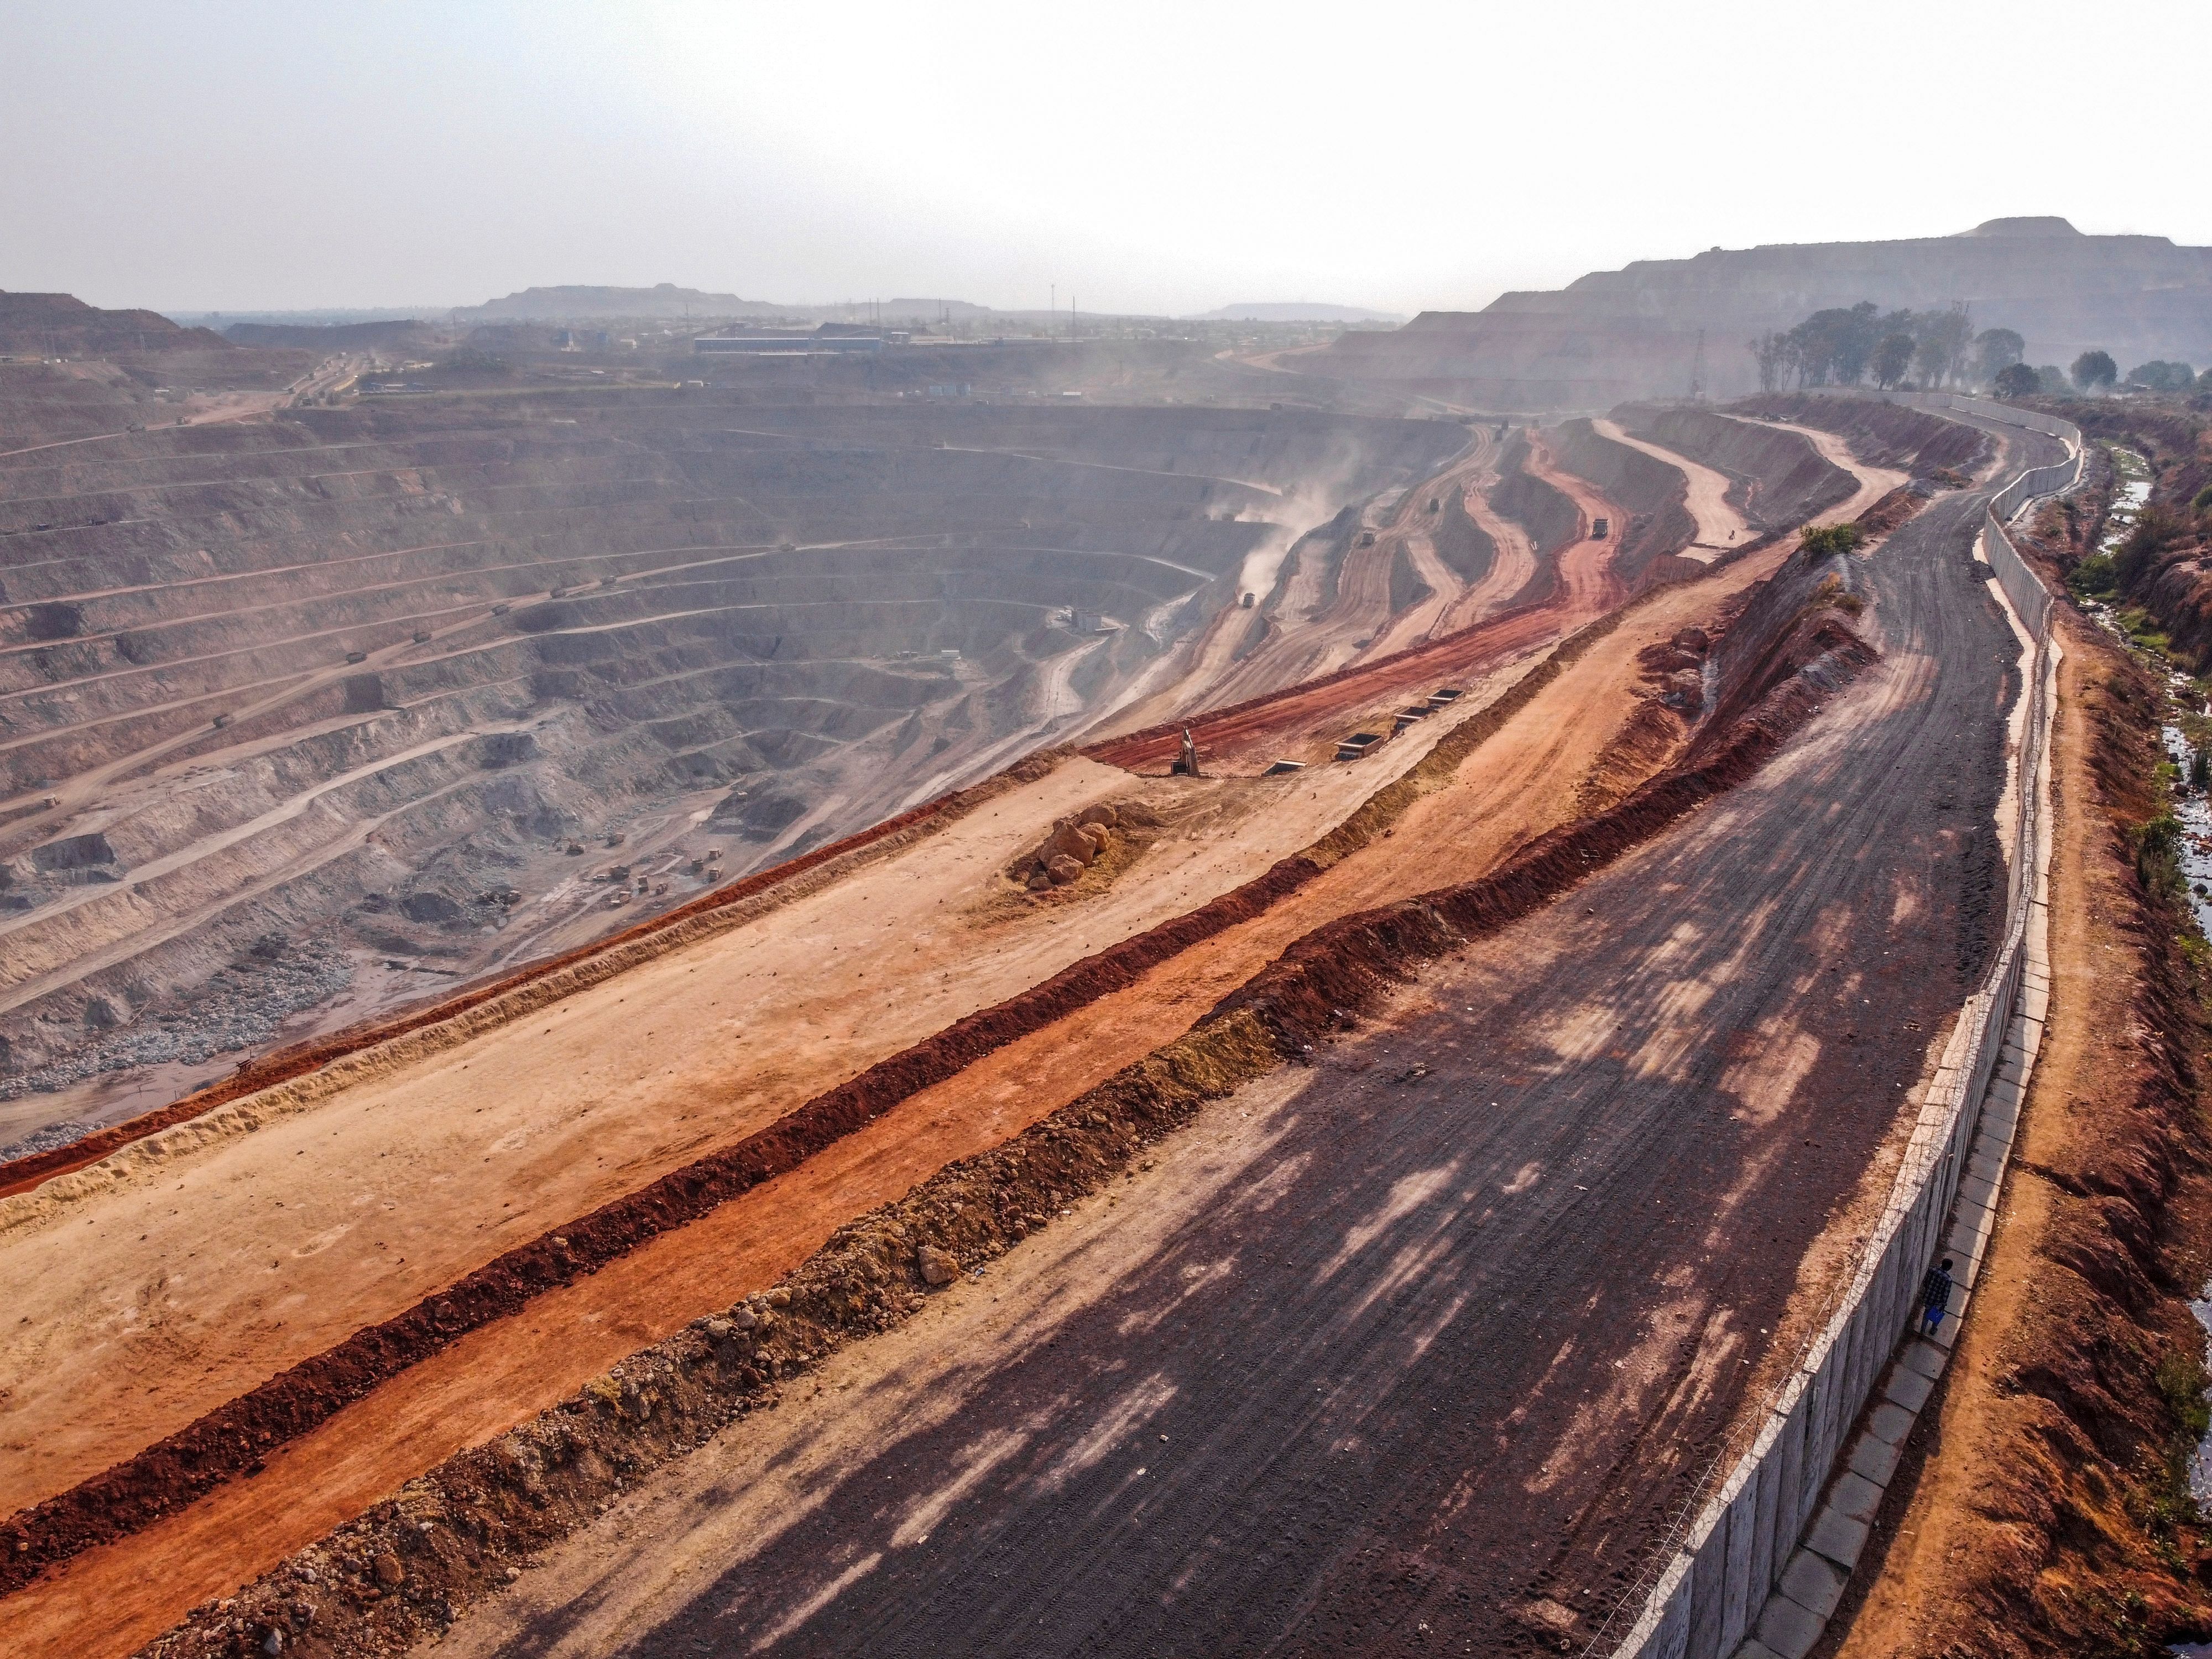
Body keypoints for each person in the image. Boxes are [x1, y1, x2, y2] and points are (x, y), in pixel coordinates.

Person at [1920, 1258, 1957, 1335]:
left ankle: (1922, 1332)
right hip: (1938, 1301)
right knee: (1938, 1313)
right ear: (1949, 1268)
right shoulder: (1948, 1280)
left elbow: (1925, 1282)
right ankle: (1933, 1329)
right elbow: (1946, 1293)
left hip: (1928, 1297)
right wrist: (1944, 1303)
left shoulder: (1932, 1270)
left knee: (1926, 1313)